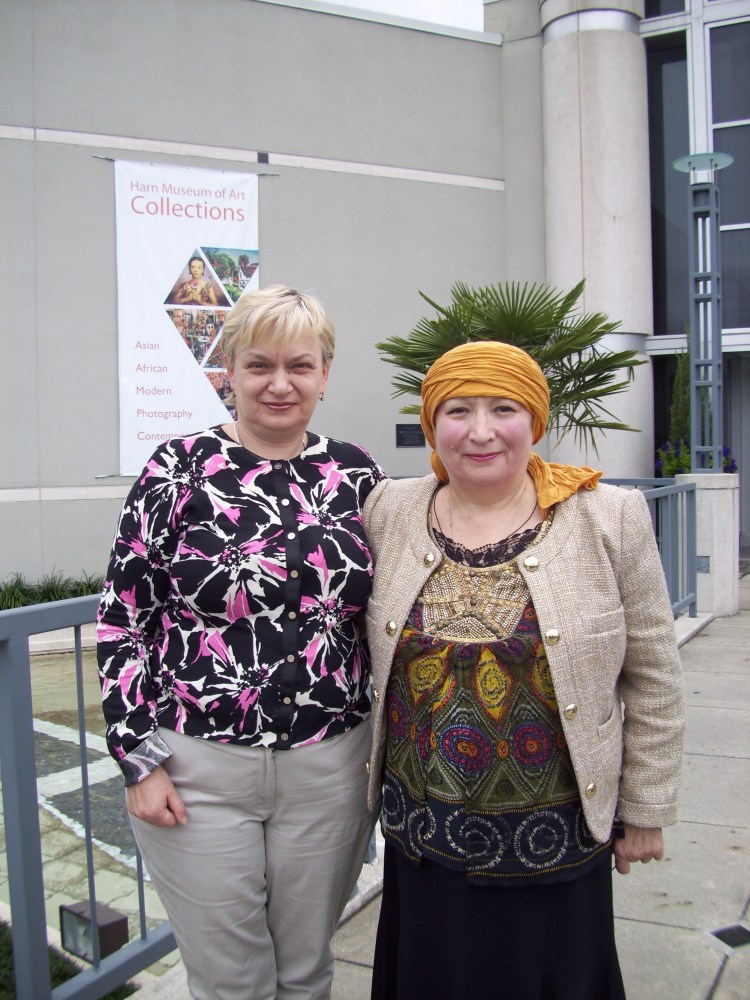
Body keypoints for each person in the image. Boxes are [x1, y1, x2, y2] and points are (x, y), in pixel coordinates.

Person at [363, 341, 685, 1000]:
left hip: (557, 845)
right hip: (425, 844)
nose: (480, 431)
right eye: (457, 410)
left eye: (503, 408)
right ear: (432, 424)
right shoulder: (389, 511)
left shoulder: (609, 518)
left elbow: (653, 670)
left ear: (534, 420)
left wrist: (645, 808)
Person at [97, 285, 385, 1000]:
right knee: (232, 981)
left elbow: (390, 615)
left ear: (325, 373)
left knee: (307, 969)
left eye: (300, 366)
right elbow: (122, 617)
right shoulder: (176, 470)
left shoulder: (357, 477)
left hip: (329, 769)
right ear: (226, 369)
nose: (279, 384)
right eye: (258, 365)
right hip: (197, 772)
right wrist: (140, 761)